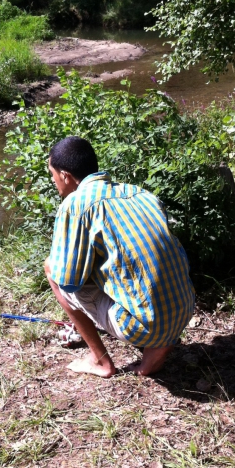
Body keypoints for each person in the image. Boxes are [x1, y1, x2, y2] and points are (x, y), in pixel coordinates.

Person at [44, 136, 195, 378]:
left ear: (64, 175)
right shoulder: (137, 192)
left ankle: (100, 361)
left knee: (52, 270)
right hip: (184, 308)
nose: (54, 182)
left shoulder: (75, 205)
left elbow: (68, 281)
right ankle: (160, 342)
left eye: (52, 175)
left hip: (147, 326)